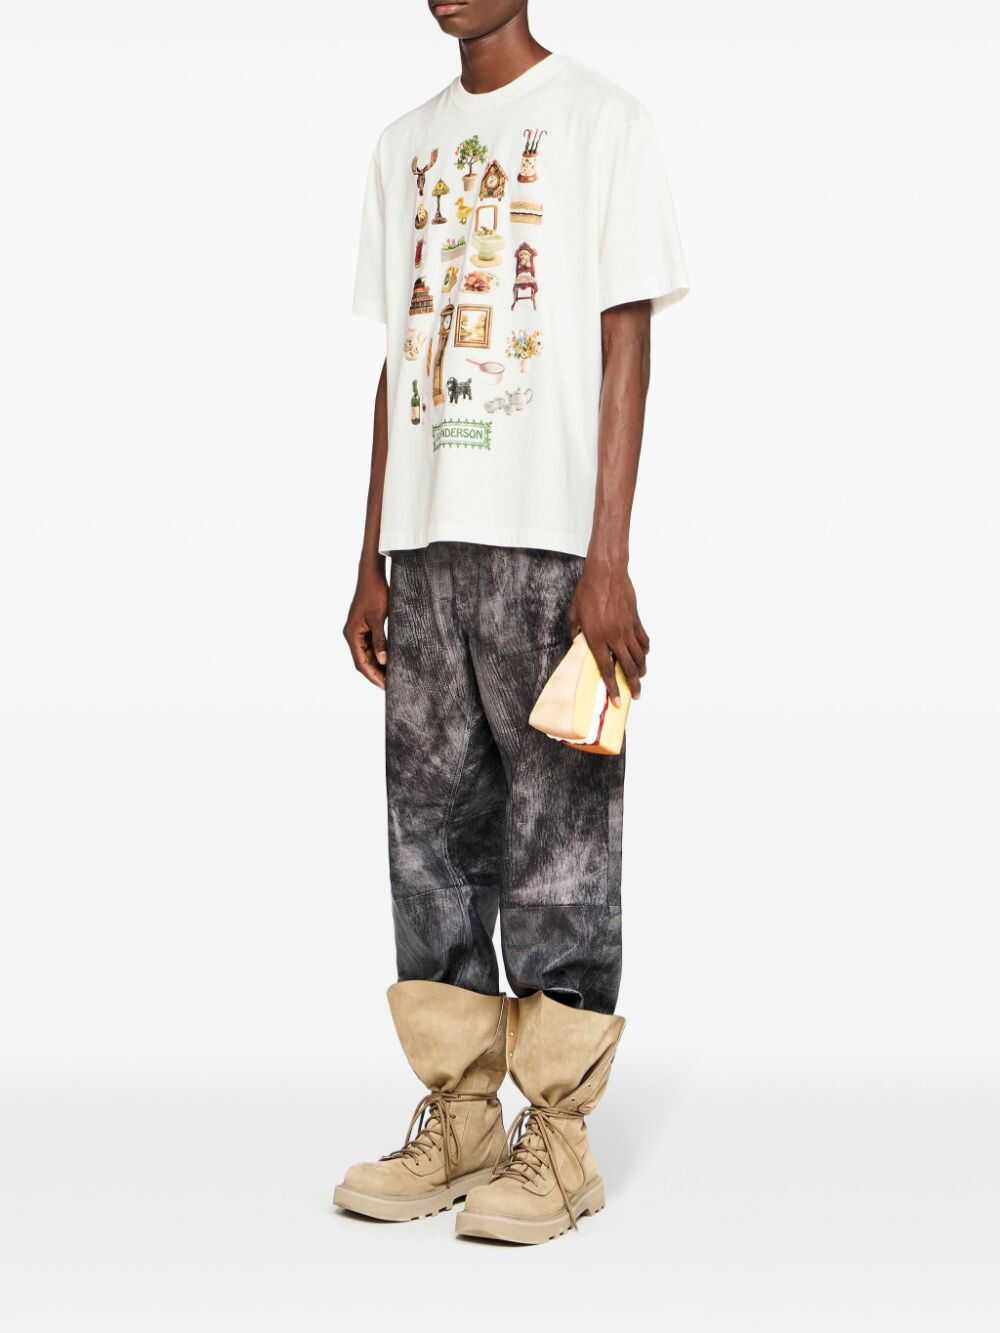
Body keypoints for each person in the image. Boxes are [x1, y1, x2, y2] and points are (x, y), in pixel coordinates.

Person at [333, 0, 688, 1244]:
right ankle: (463, 1118)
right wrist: (371, 555)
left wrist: (609, 558)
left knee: (559, 848)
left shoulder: (603, 121)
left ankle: (563, 1142)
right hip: (426, 550)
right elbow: (401, 356)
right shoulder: (401, 144)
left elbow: (624, 337)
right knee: (428, 845)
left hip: (551, 550)